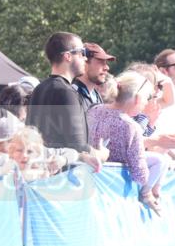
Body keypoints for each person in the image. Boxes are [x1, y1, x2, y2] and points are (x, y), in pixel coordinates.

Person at [25, 33, 108, 170]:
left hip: (44, 172)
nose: (85, 58)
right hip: (63, 175)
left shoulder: (39, 88)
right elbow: (77, 146)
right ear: (68, 56)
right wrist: (102, 154)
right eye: (82, 53)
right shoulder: (66, 92)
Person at [88, 72, 167, 213]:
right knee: (160, 161)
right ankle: (147, 194)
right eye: (147, 98)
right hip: (113, 188)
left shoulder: (94, 110)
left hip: (90, 173)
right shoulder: (130, 126)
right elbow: (140, 174)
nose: (146, 103)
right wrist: (148, 187)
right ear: (137, 98)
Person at [74, 42, 115, 110]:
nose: (107, 68)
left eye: (106, 63)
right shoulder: (72, 93)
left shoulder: (96, 95)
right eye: (101, 62)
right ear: (84, 62)